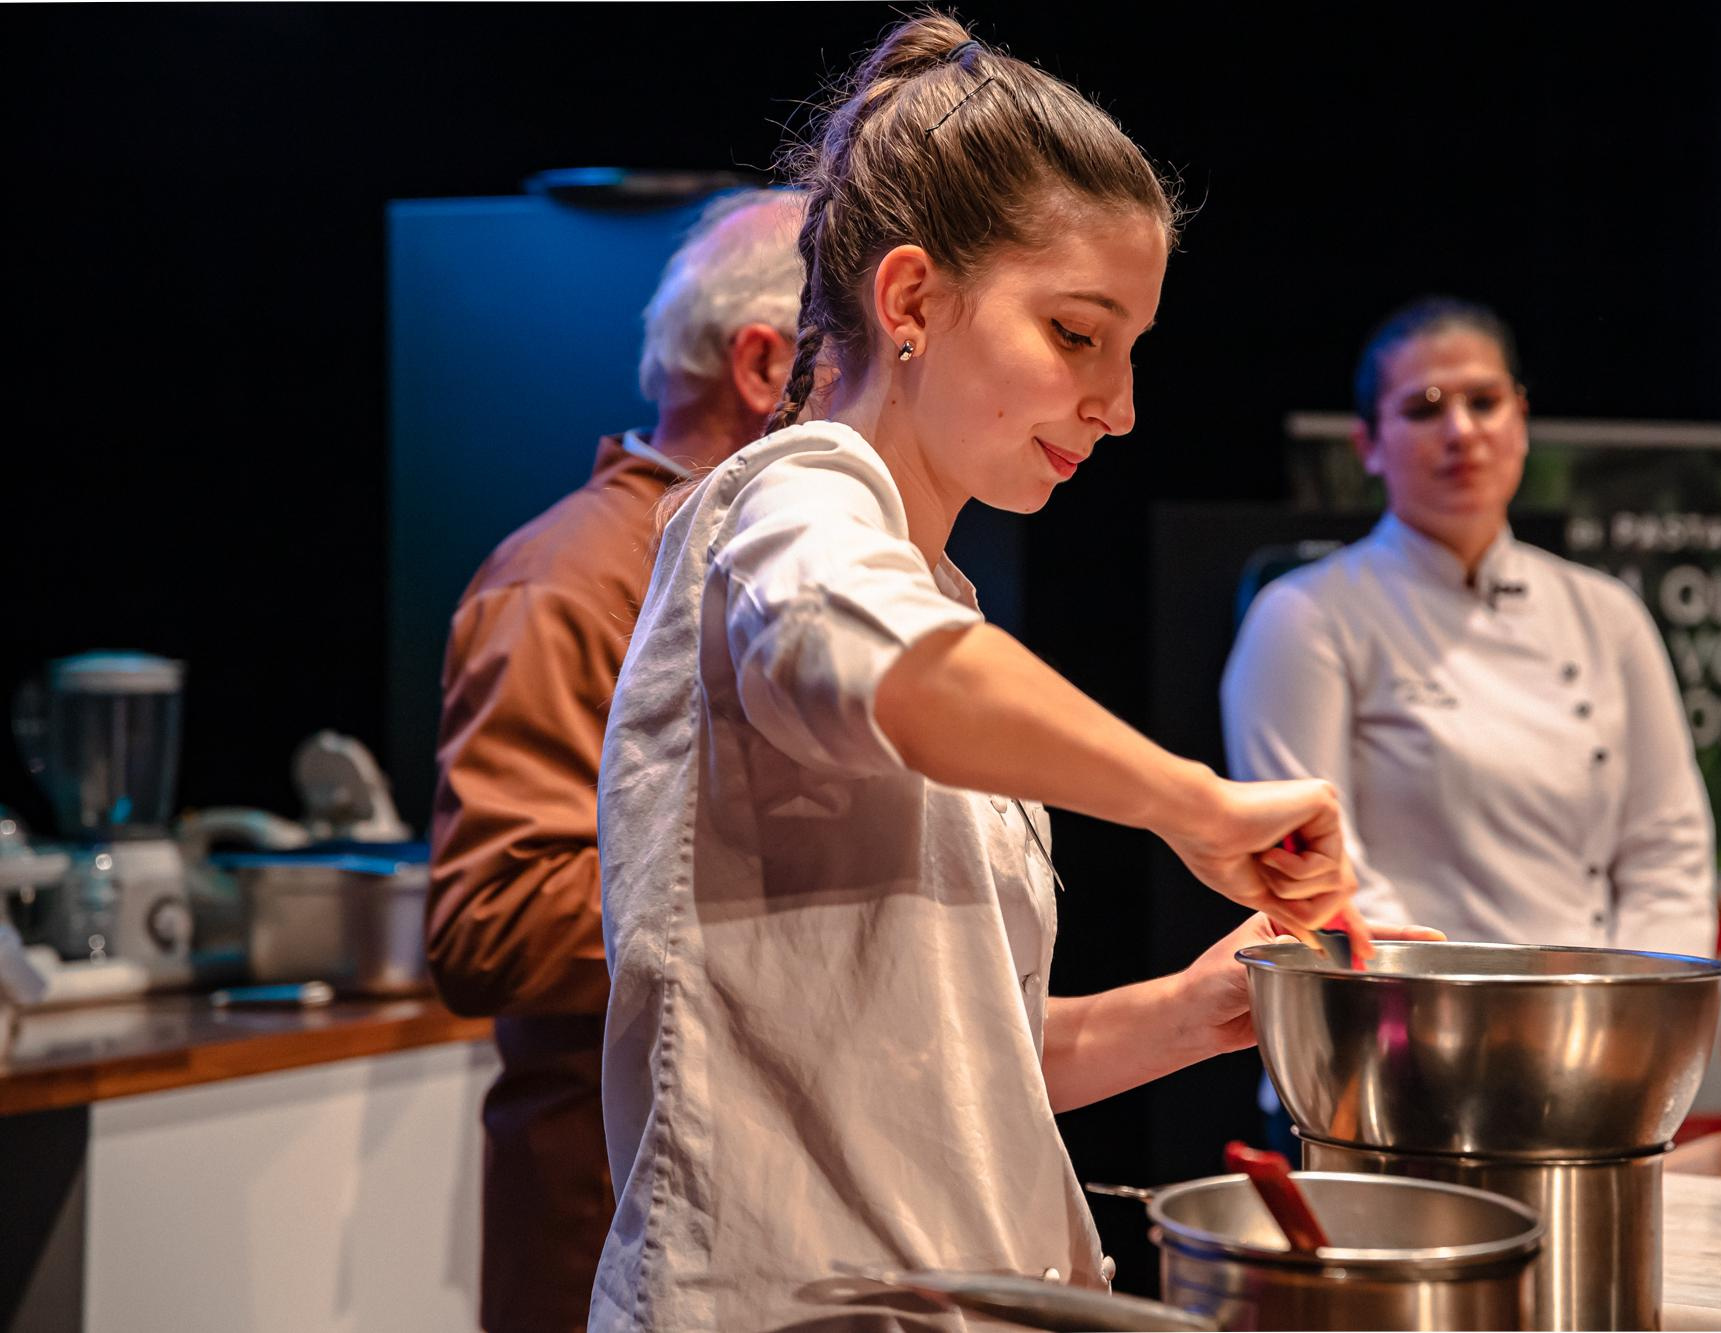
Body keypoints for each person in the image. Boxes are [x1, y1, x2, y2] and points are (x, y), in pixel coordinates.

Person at [589, 16, 1401, 1332]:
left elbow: (966, 1066)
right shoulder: (780, 508)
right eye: (1079, 334)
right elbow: (910, 677)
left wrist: (1212, 1006)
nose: (1121, 404)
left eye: (1131, 348)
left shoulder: (932, 585)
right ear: (908, 300)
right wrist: (1195, 802)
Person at [426, 188, 804, 1333]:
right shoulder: (567, 577)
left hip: (758, 1227)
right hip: (612, 1245)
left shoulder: (780, 570)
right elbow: (485, 922)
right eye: (859, 363)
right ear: (760, 363)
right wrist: (796, 890)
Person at [1222, 296, 1716, 956]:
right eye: (1425, 408)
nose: (1461, 430)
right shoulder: (1305, 615)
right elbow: (1317, 878)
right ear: (1368, 445)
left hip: (1590, 1028)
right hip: (1390, 1019)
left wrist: (1637, 1011)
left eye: (1484, 402)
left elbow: (1669, 855)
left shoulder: (1606, 615)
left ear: (1521, 421)